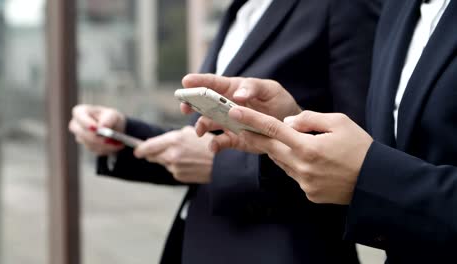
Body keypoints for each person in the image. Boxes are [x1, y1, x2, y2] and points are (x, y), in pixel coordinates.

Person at [69, 0, 382, 263]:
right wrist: (119, 133)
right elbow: (208, 141)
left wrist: (218, 167)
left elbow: (362, 156)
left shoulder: (345, 6)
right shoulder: (238, 10)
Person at [189, 0, 457, 262]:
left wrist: (368, 177)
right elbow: (382, 146)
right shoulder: (398, 7)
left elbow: (366, 154)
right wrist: (294, 123)